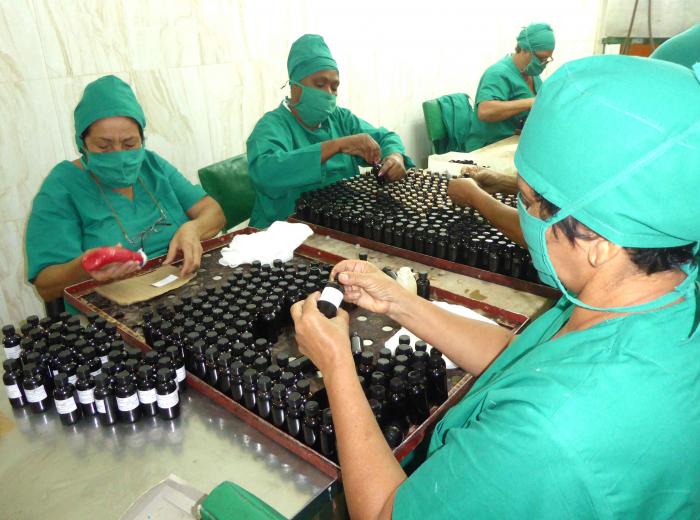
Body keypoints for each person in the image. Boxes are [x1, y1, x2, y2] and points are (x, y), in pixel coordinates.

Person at [291, 55, 700, 518]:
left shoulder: (546, 436)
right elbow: (524, 359)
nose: (523, 220)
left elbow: (385, 512)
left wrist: (336, 365)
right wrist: (400, 303)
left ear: (600, 241)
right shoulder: (654, 293)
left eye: (528, 202)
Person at [26, 75, 225, 302]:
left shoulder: (152, 165)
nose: (119, 155)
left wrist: (194, 229)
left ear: (142, 139)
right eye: (104, 146)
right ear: (83, 144)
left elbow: (213, 213)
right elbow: (46, 285)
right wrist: (85, 268)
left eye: (130, 144)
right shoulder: (62, 185)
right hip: (114, 312)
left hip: (187, 289)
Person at [246, 34, 413, 228]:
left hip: (340, 222)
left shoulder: (339, 118)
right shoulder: (272, 126)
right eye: (319, 84)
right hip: (283, 231)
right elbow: (267, 172)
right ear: (295, 87)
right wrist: (336, 146)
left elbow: (385, 137)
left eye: (334, 87)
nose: (328, 93)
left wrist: (395, 156)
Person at [464, 23, 555, 152]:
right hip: (488, 148)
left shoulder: (532, 75)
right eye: (541, 58)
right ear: (524, 50)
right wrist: (529, 103)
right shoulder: (498, 73)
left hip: (515, 144)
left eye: (547, 59)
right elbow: (485, 111)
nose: (543, 64)